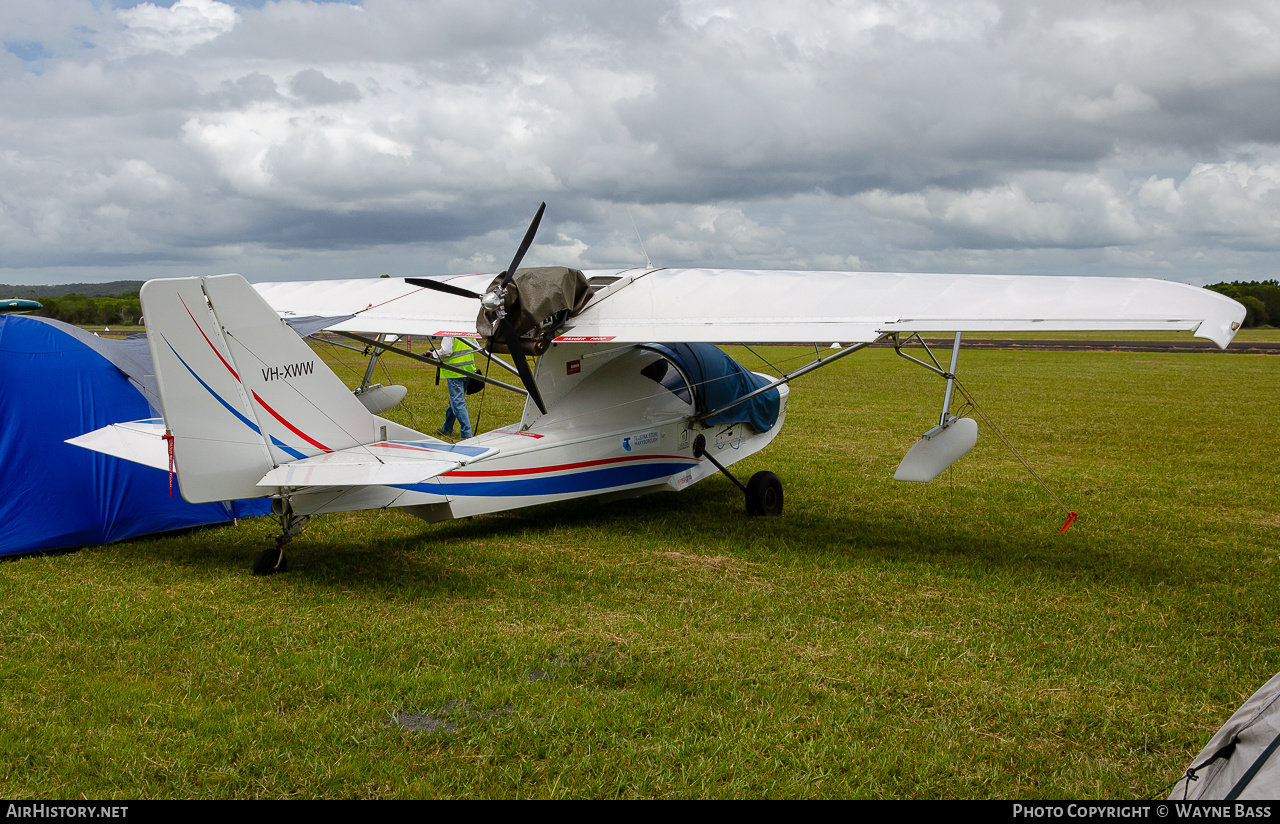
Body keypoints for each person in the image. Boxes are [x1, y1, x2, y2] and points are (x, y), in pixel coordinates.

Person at [435, 336, 476, 440]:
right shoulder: (468, 331)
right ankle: (446, 428)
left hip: (455, 372)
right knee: (453, 402)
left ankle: (467, 434)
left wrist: (434, 354)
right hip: (468, 371)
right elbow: (476, 347)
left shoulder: (449, 332)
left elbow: (446, 351)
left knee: (457, 403)